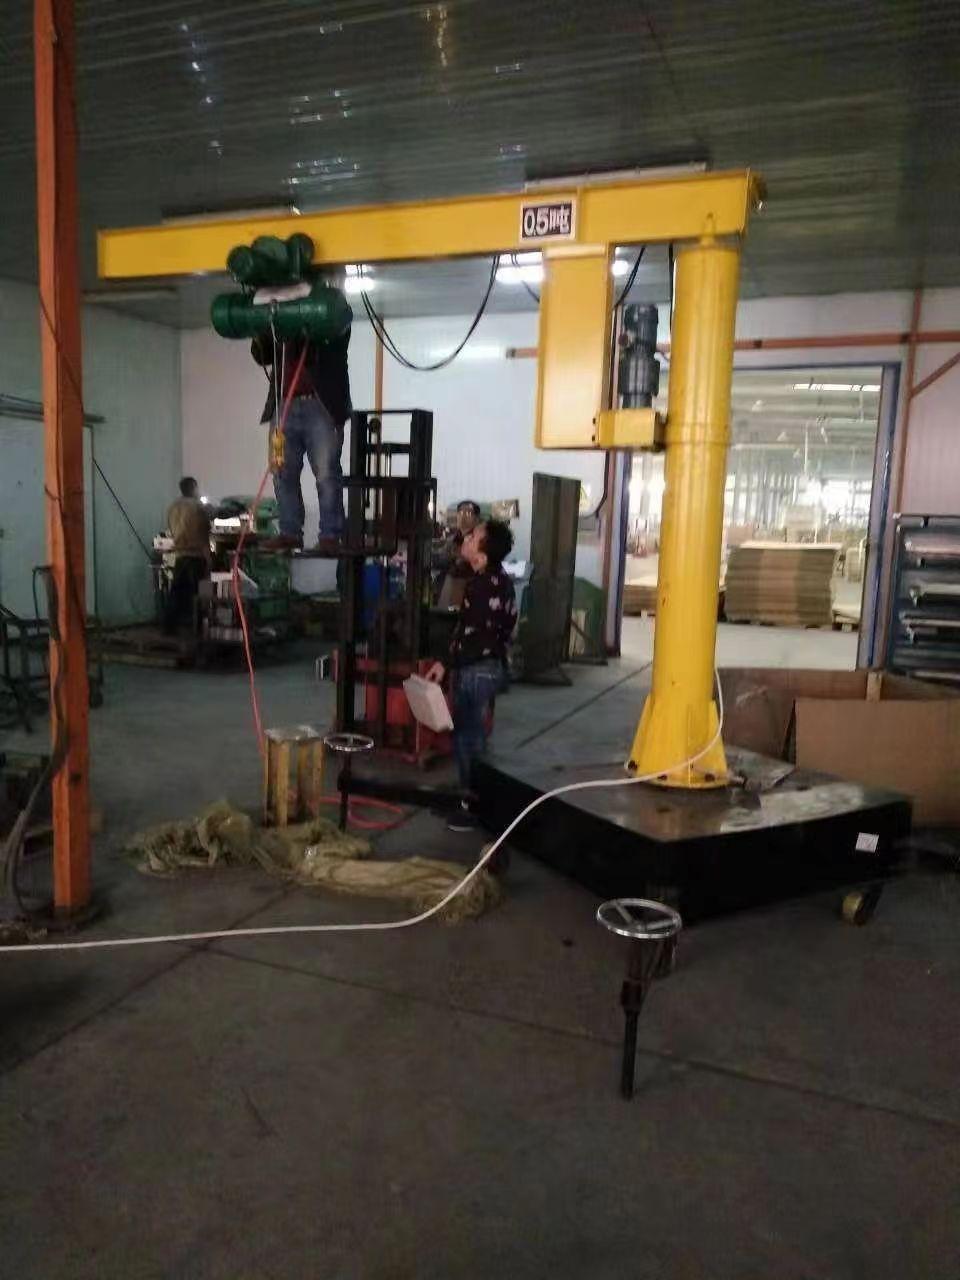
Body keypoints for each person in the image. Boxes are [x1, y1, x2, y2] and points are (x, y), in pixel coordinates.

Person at [426, 518, 518, 831]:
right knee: (468, 736)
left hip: (478, 670)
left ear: (482, 552)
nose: (466, 538)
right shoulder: (496, 579)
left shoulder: (483, 586)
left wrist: (445, 663)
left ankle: (475, 807)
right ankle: (470, 798)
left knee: (469, 740)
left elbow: (471, 636)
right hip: (484, 667)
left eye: (473, 536)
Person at [251, 292, 351, 550]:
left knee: (326, 472)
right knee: (281, 471)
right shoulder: (279, 321)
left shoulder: (332, 312)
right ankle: (289, 532)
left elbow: (336, 337)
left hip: (320, 404)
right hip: (284, 403)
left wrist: (301, 320)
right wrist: (263, 329)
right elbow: (261, 354)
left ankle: (330, 535)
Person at [163, 476, 211, 635]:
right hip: (197, 556)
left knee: (176, 592)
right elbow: (205, 529)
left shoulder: (173, 507)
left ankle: (169, 628)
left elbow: (171, 529)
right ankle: (200, 628)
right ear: (194, 488)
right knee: (201, 592)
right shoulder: (198, 507)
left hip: (180, 555)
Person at [434, 499, 481, 609]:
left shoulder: (480, 540)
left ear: (476, 519)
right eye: (460, 512)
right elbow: (442, 557)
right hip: (450, 584)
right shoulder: (452, 539)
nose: (463, 516)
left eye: (468, 513)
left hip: (471, 586)